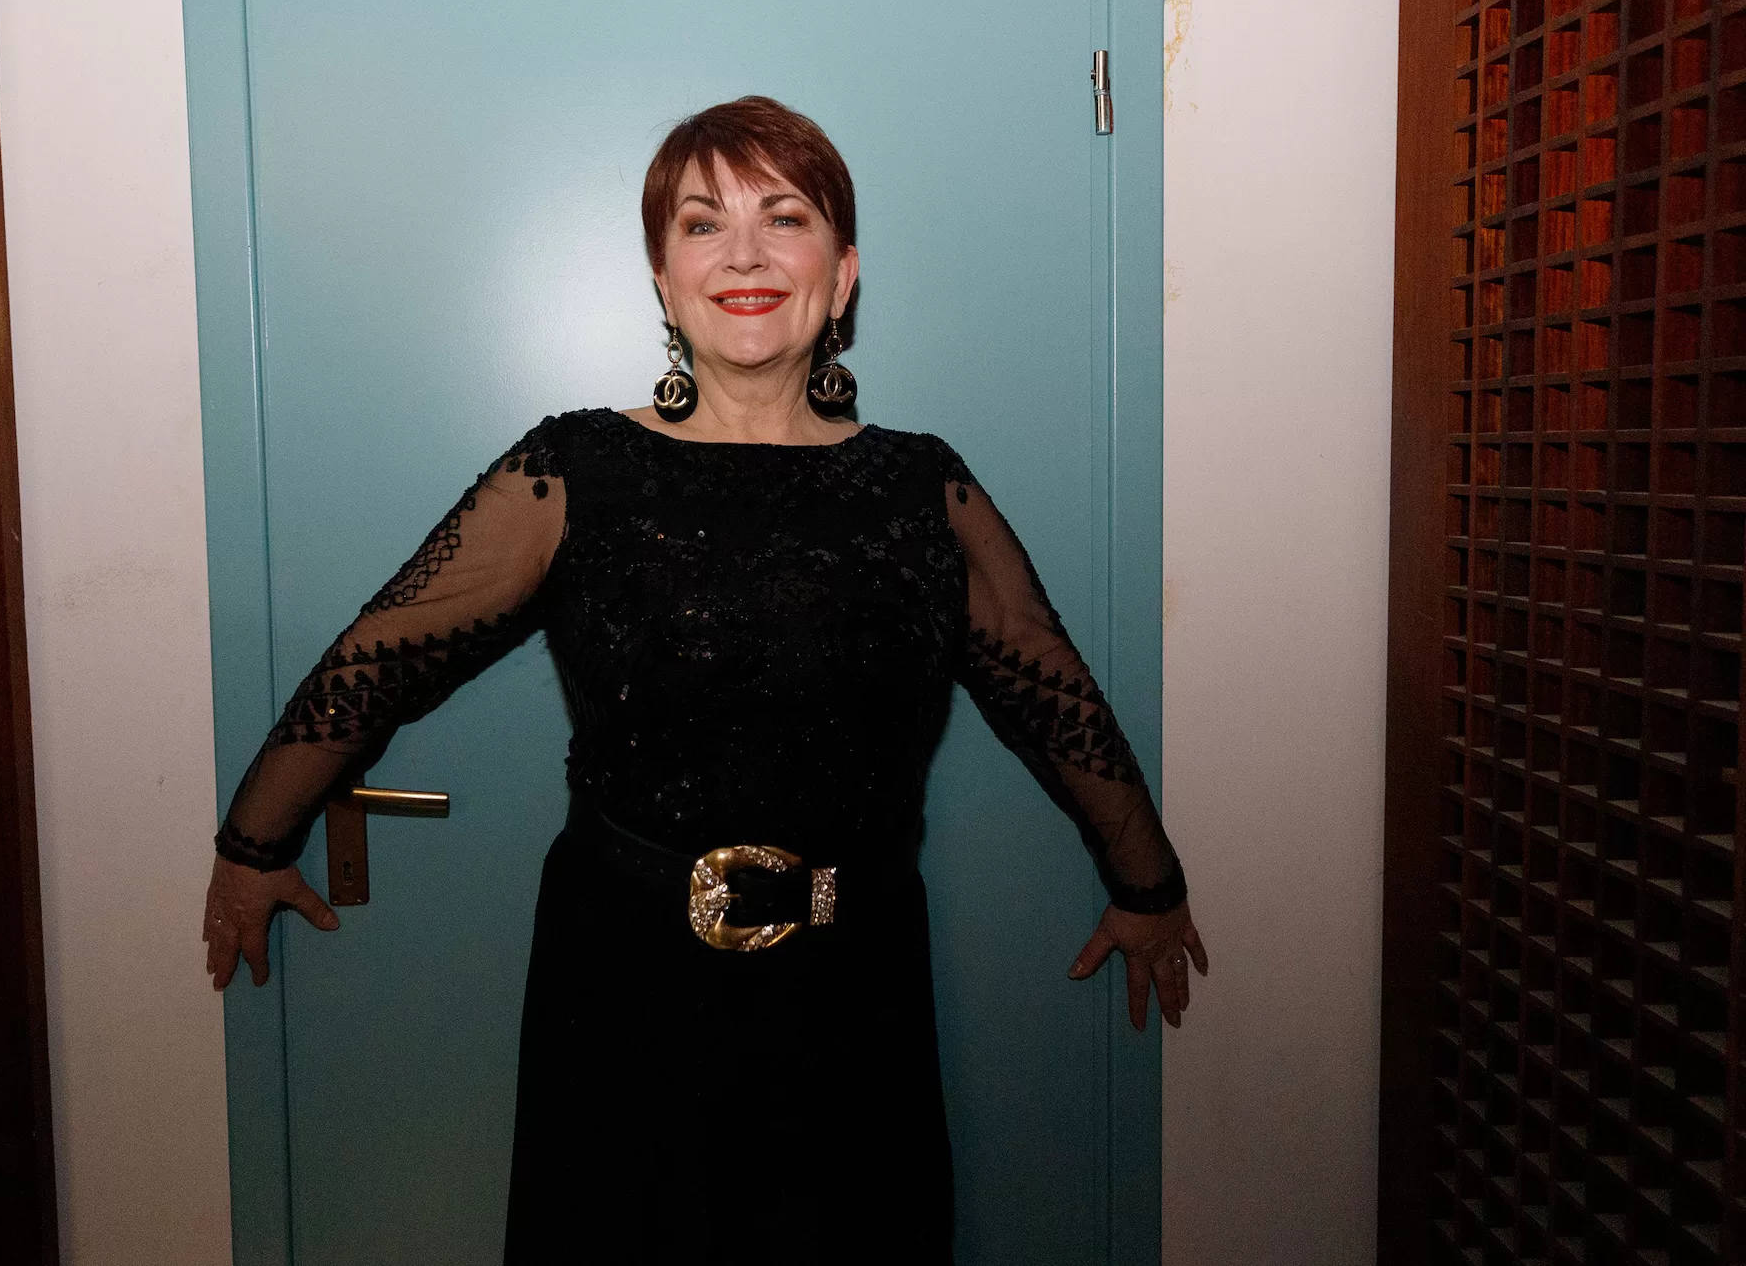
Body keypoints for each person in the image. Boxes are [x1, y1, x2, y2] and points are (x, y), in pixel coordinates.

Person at [201, 95, 1206, 1264]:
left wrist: (1146, 884)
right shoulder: (574, 467)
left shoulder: (921, 486)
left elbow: (1050, 689)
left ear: (841, 274)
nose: (743, 254)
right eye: (701, 223)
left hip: (852, 990)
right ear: (663, 282)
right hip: (621, 982)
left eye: (784, 217)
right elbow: (380, 657)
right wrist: (253, 844)